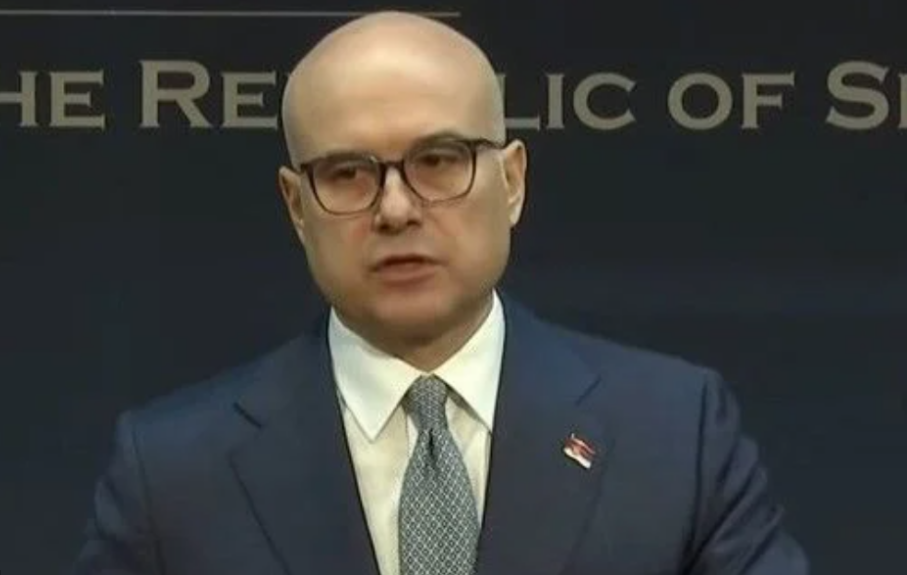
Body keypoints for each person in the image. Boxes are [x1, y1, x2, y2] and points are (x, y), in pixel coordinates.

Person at [71, 11, 809, 575]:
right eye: (348, 174)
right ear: (297, 206)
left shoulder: (675, 434)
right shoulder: (173, 474)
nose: (396, 209)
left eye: (439, 160)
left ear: (511, 182)